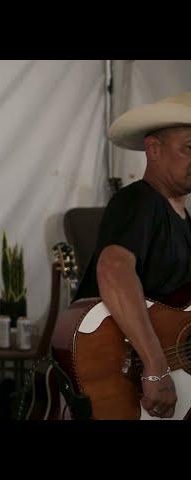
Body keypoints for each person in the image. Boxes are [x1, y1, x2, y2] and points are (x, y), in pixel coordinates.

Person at [74, 92, 191, 419]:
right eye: (190, 148)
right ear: (153, 149)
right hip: (123, 374)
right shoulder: (138, 202)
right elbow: (113, 269)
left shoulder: (181, 219)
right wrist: (154, 366)